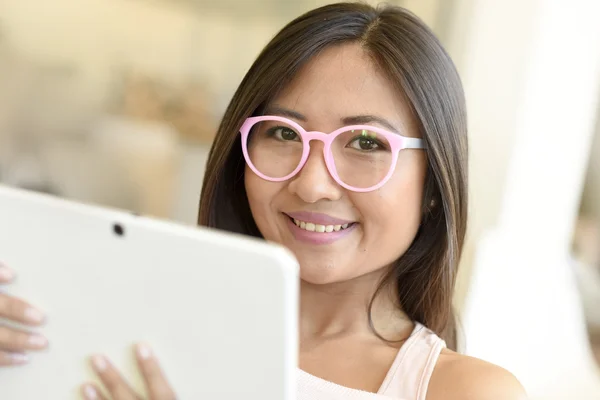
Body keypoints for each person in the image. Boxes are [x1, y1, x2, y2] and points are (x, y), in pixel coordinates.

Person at [0, 2, 528, 399]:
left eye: (367, 144)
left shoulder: (466, 392)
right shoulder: (134, 327)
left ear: (434, 185)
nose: (314, 184)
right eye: (282, 134)